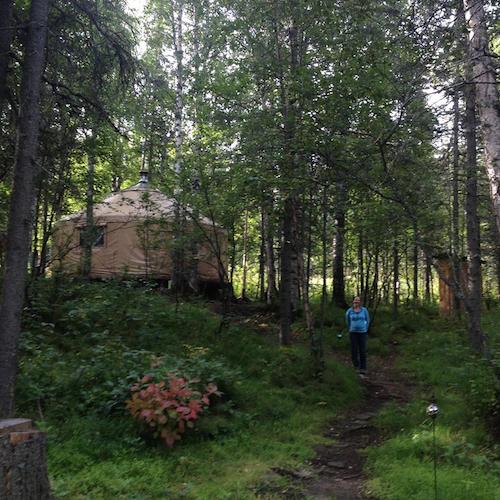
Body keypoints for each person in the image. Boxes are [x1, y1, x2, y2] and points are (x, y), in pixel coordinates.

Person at [345, 296, 370, 376]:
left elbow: (367, 320)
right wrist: (350, 328)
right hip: (353, 333)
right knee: (354, 350)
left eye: (358, 301)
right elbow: (347, 321)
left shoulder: (364, 310)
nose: (357, 302)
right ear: (353, 301)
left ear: (360, 302)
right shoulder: (349, 311)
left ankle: (363, 368)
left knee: (362, 350)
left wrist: (365, 328)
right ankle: (356, 366)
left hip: (362, 332)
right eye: (355, 300)